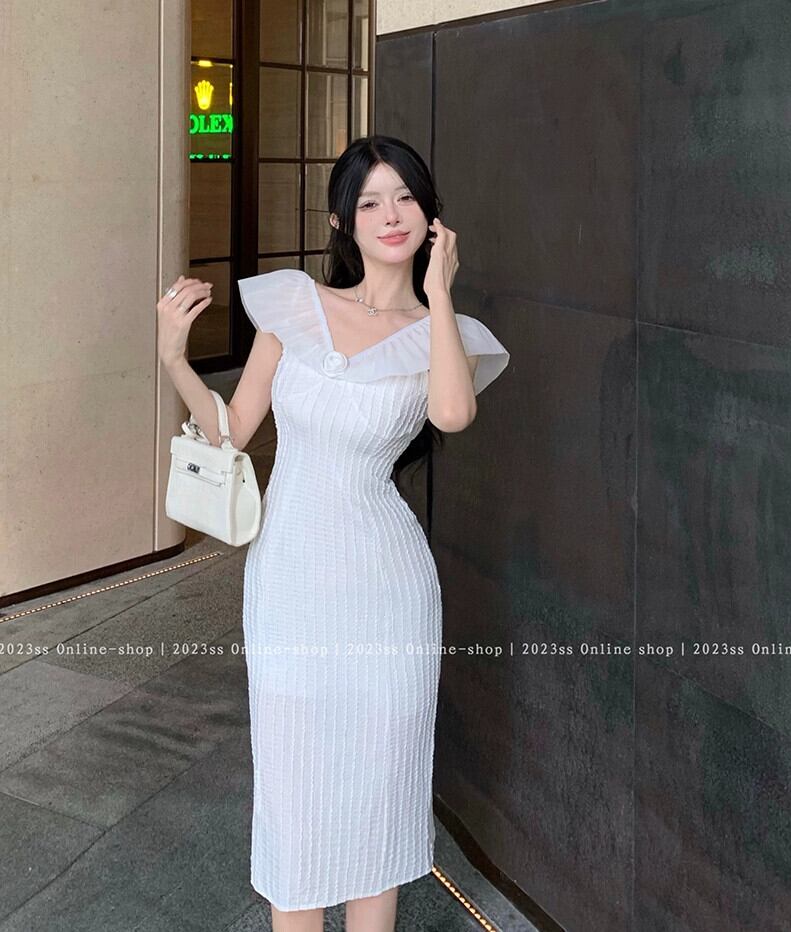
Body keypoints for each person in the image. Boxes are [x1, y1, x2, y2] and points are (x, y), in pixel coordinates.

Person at [157, 134, 510, 932]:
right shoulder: (295, 306)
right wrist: (177, 359)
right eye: (371, 201)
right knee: (297, 792)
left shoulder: (441, 332)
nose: (391, 214)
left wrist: (440, 294)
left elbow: (453, 413)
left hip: (388, 587)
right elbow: (232, 430)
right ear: (342, 221)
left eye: (406, 197)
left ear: (431, 217)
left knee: (380, 791)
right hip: (290, 578)